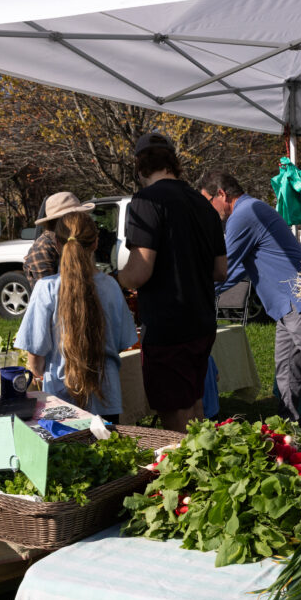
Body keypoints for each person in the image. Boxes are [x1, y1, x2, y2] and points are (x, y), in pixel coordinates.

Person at [200, 172, 301, 444]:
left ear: (222, 195)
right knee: (286, 370)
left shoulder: (245, 214)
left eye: (207, 202)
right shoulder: (253, 209)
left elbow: (226, 270)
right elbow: (235, 269)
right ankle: (287, 431)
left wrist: (195, 293)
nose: (207, 210)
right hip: (287, 307)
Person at [117, 132, 227, 432]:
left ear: (140, 166)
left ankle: (185, 476)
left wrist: (113, 281)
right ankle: (202, 472)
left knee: (174, 413)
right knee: (193, 402)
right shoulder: (204, 204)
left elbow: (139, 272)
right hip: (202, 322)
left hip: (168, 324)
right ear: (173, 163)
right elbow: (221, 270)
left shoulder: (145, 201)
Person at [15, 212, 136, 420]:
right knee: (106, 451)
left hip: (60, 402)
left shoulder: (47, 288)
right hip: (106, 397)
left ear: (57, 243)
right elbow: (123, 342)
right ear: (96, 243)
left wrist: (40, 374)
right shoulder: (111, 286)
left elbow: (35, 358)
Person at [23, 193, 94, 286]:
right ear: (63, 222)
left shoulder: (74, 239)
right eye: (77, 217)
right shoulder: (41, 250)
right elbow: (47, 293)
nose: (82, 220)